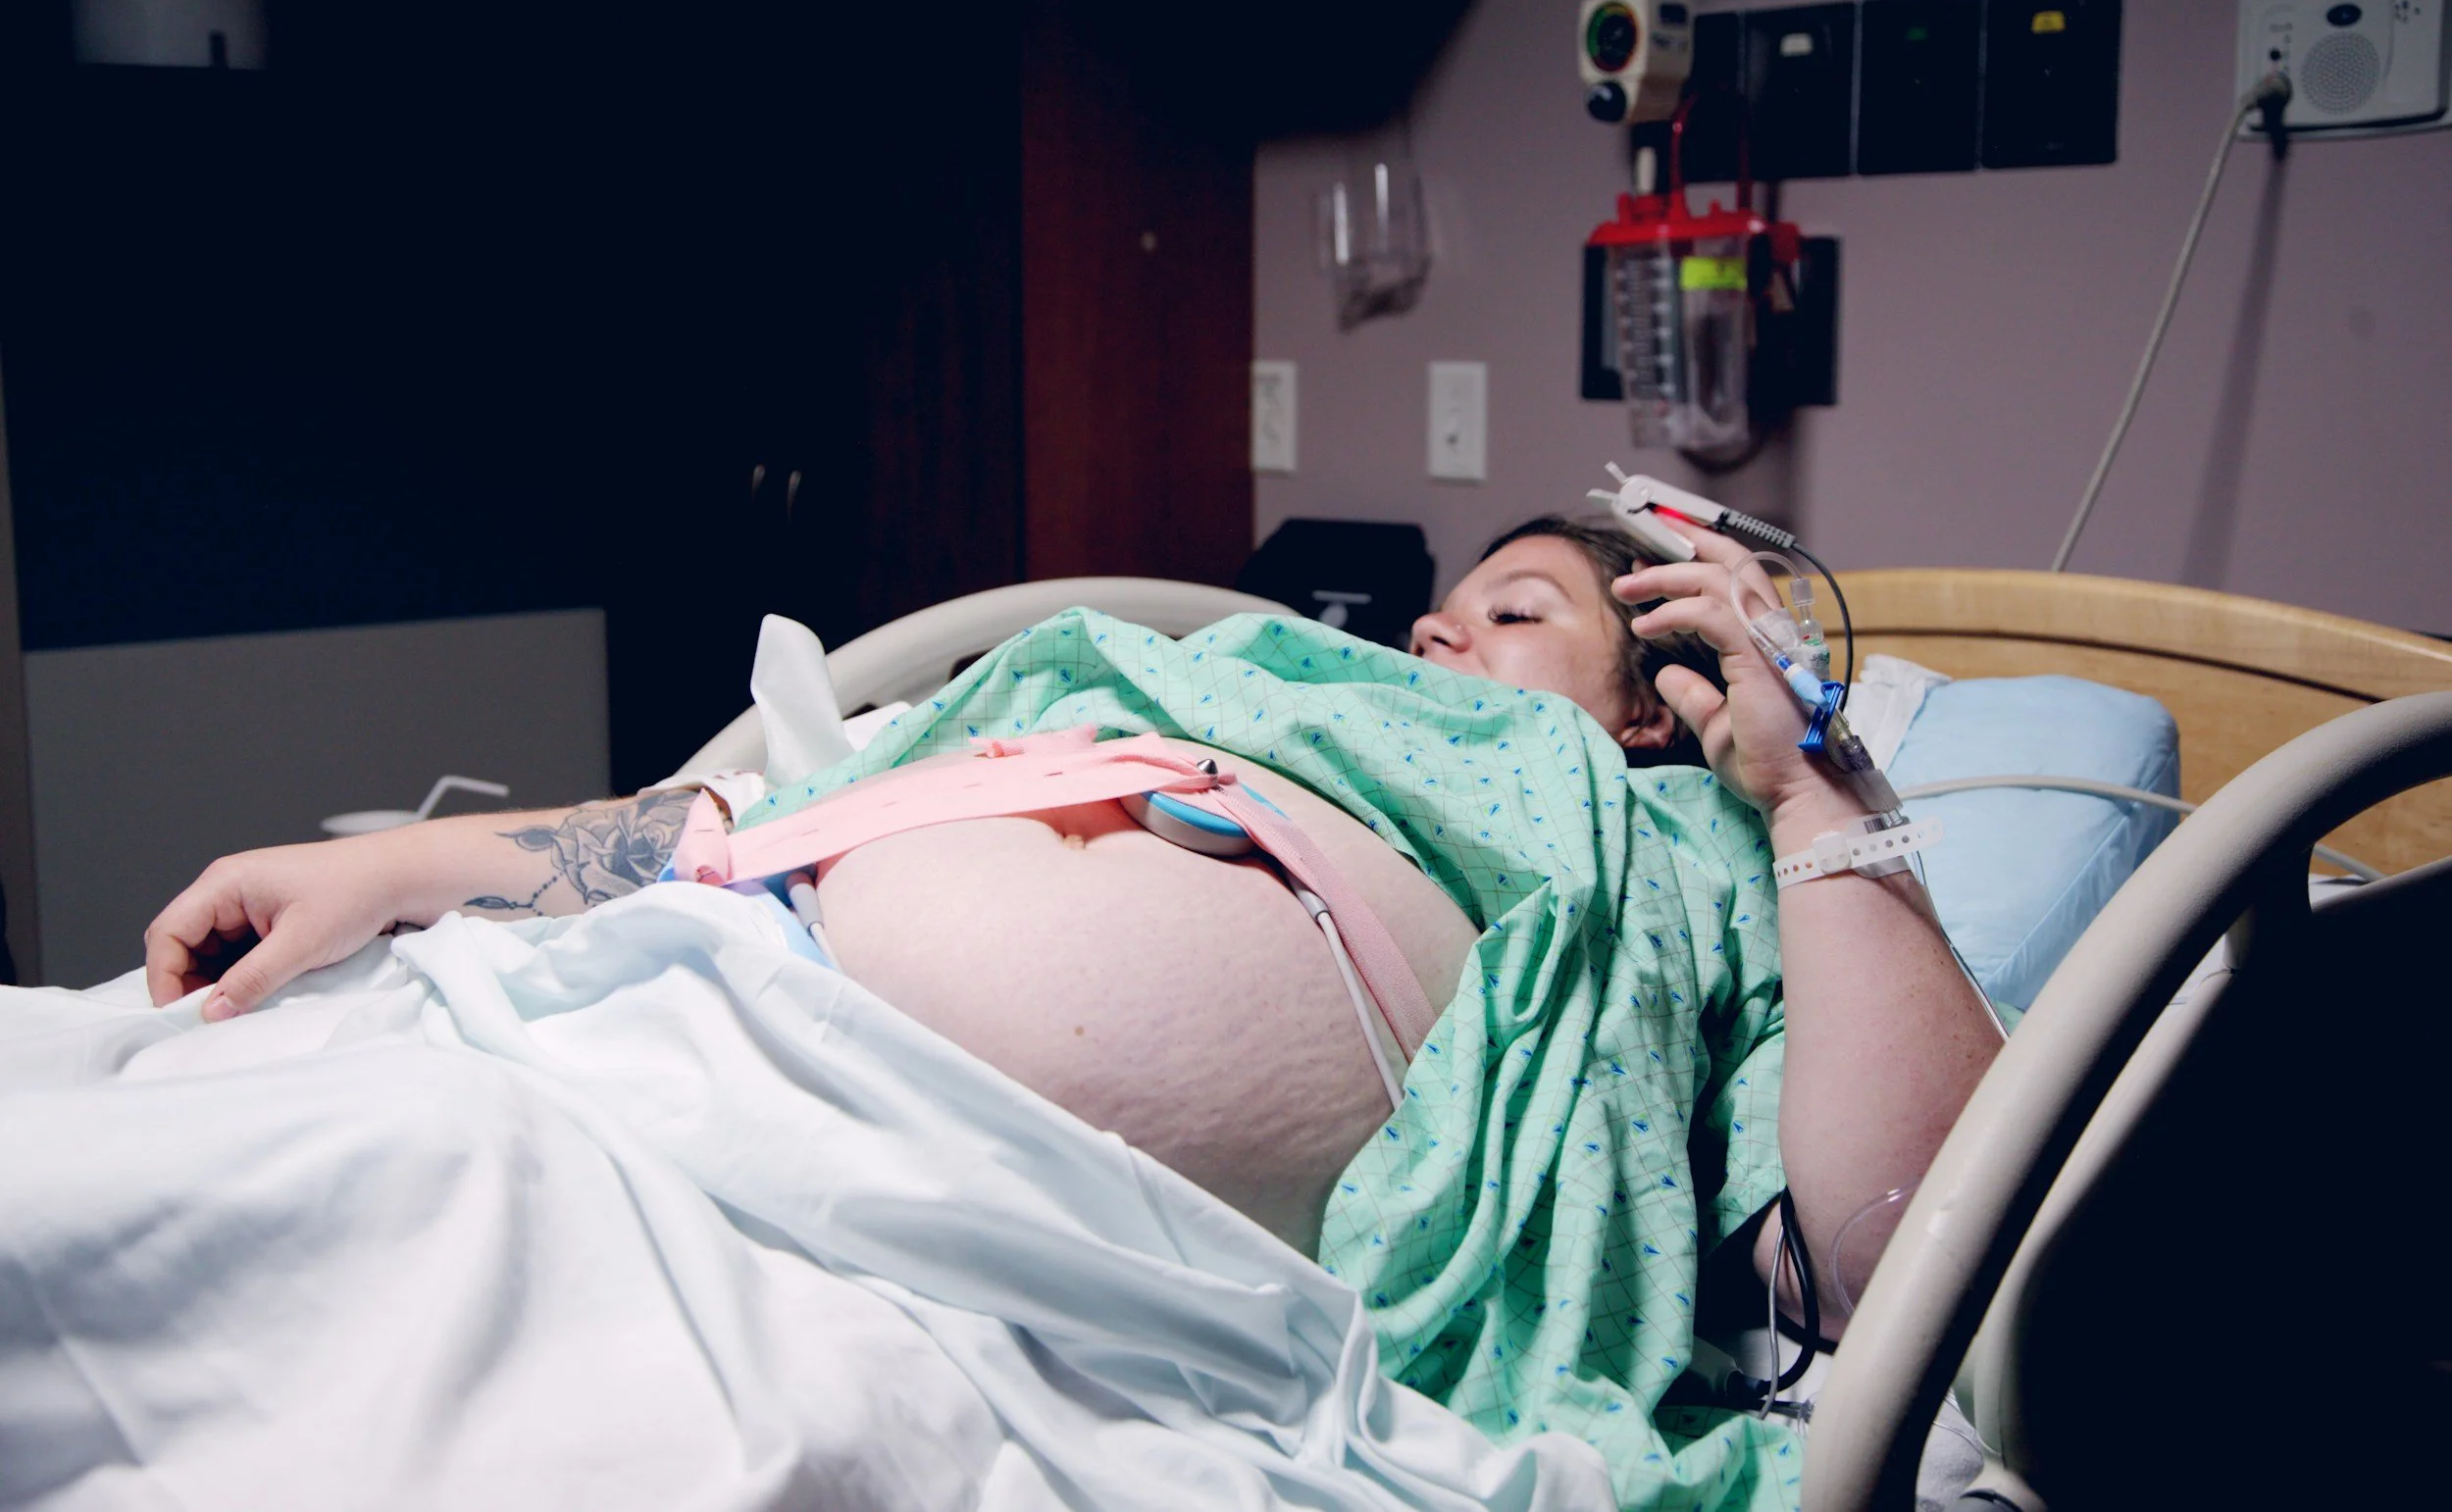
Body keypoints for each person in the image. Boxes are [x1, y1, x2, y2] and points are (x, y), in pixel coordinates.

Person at [144, 513, 1998, 1338]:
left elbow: (1891, 1254)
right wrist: (387, 875)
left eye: (1513, 611)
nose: (1436, 639)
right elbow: (759, 811)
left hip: (886, 1139)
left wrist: (1814, 787)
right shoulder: (1246, 677)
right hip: (723, 983)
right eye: (1434, 614)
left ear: (1642, 704)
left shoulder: (1682, 847)